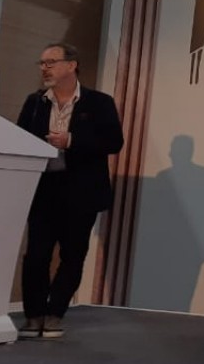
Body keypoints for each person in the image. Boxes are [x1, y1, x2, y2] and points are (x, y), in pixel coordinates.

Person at [16, 43, 124, 338]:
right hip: (43, 189)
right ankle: (33, 315)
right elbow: (19, 137)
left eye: (51, 62)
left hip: (81, 191)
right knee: (36, 255)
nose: (44, 68)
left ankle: (55, 313)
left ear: (72, 65)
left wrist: (72, 141)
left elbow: (113, 142)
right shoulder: (35, 102)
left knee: (72, 254)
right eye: (42, 63)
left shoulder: (98, 102)